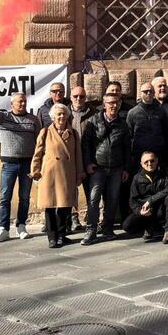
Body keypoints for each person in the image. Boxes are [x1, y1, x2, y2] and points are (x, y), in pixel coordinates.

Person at [0, 82, 41, 243]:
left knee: (24, 197)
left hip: (27, 164)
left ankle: (21, 226)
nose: (23, 103)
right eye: (20, 101)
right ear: (12, 104)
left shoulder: (33, 120)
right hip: (8, 165)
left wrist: (38, 165)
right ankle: (3, 228)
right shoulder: (3, 117)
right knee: (5, 197)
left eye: (25, 101)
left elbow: (40, 143)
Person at [30, 103, 84, 249]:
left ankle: (61, 234)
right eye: (58, 114)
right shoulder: (45, 132)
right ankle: (52, 237)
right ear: (53, 117)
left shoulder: (73, 133)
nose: (61, 117)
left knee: (65, 206)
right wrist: (35, 171)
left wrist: (80, 173)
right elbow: (38, 153)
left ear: (67, 116)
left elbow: (78, 154)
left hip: (67, 174)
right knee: (50, 206)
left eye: (63, 114)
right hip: (49, 175)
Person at [80, 93, 131, 245]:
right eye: (110, 103)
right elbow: (85, 145)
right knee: (94, 200)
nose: (113, 106)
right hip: (98, 168)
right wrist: (88, 163)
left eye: (116, 103)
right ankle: (91, 230)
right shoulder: (93, 121)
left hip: (116, 168)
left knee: (112, 200)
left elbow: (127, 148)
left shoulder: (123, 124)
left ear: (120, 104)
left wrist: (126, 168)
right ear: (104, 105)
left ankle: (107, 228)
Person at [123, 151, 168, 243]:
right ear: (141, 164)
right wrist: (140, 211)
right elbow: (133, 200)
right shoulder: (137, 178)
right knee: (127, 226)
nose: (149, 164)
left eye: (152, 161)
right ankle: (150, 226)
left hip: (161, 208)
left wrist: (151, 200)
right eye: (146, 162)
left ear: (157, 160)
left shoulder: (166, 172)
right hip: (146, 210)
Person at [68, 86, 95, 231]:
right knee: (71, 191)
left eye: (82, 96)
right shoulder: (64, 113)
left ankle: (92, 219)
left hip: (88, 157)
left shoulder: (93, 113)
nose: (79, 99)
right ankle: (73, 219)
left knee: (91, 192)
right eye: (76, 96)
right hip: (70, 159)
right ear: (71, 97)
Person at [127, 83, 167, 173]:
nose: (148, 93)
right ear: (141, 93)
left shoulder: (161, 111)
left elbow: (166, 132)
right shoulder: (133, 113)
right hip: (139, 156)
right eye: (146, 91)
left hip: (157, 154)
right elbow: (129, 135)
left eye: (151, 91)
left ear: (154, 93)